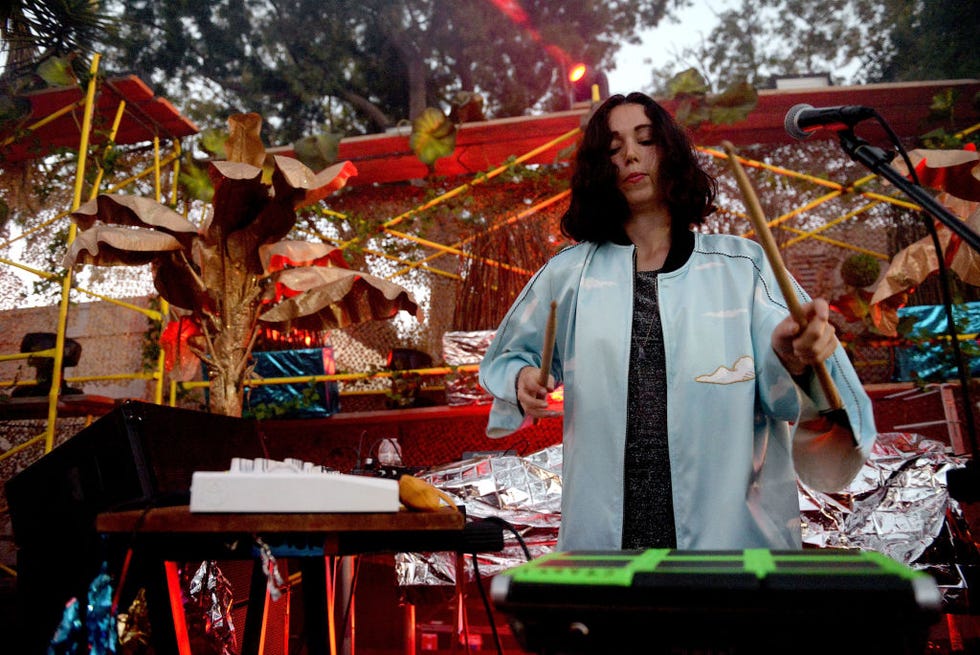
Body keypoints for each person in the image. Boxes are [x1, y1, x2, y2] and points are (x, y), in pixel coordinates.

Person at [478, 92, 878, 552]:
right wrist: (525, 377)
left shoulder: (742, 267)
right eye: (612, 149)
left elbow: (798, 374)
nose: (629, 154)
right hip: (608, 538)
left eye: (644, 140)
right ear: (598, 168)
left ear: (668, 151)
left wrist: (794, 358)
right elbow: (509, 357)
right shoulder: (569, 273)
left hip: (727, 534)